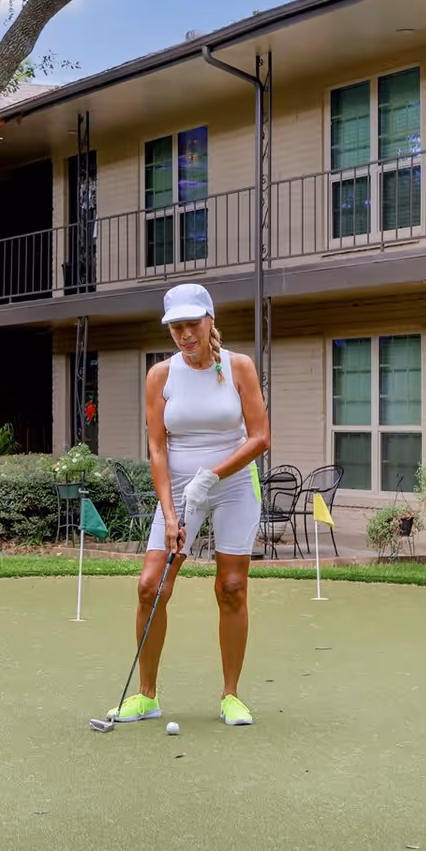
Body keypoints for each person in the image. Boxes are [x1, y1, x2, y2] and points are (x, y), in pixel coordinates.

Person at [109, 283, 271, 728]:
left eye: (191, 324)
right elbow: (158, 450)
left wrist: (213, 475)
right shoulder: (160, 375)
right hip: (179, 487)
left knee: (232, 586)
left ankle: (231, 695)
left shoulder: (239, 367)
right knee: (150, 586)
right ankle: (146, 696)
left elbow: (260, 438)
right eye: (176, 327)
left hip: (234, 484)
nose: (184, 335)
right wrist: (173, 511)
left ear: (210, 320)